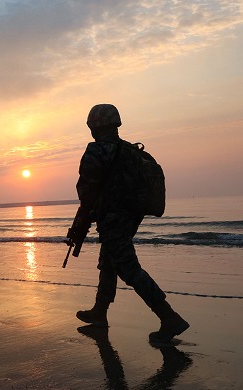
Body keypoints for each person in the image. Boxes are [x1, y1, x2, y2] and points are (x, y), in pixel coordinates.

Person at [73, 104, 189, 343]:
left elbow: (86, 191)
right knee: (108, 262)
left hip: (113, 219)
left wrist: (81, 221)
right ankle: (100, 313)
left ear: (95, 126)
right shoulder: (131, 151)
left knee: (128, 268)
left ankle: (169, 317)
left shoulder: (96, 151)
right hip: (130, 218)